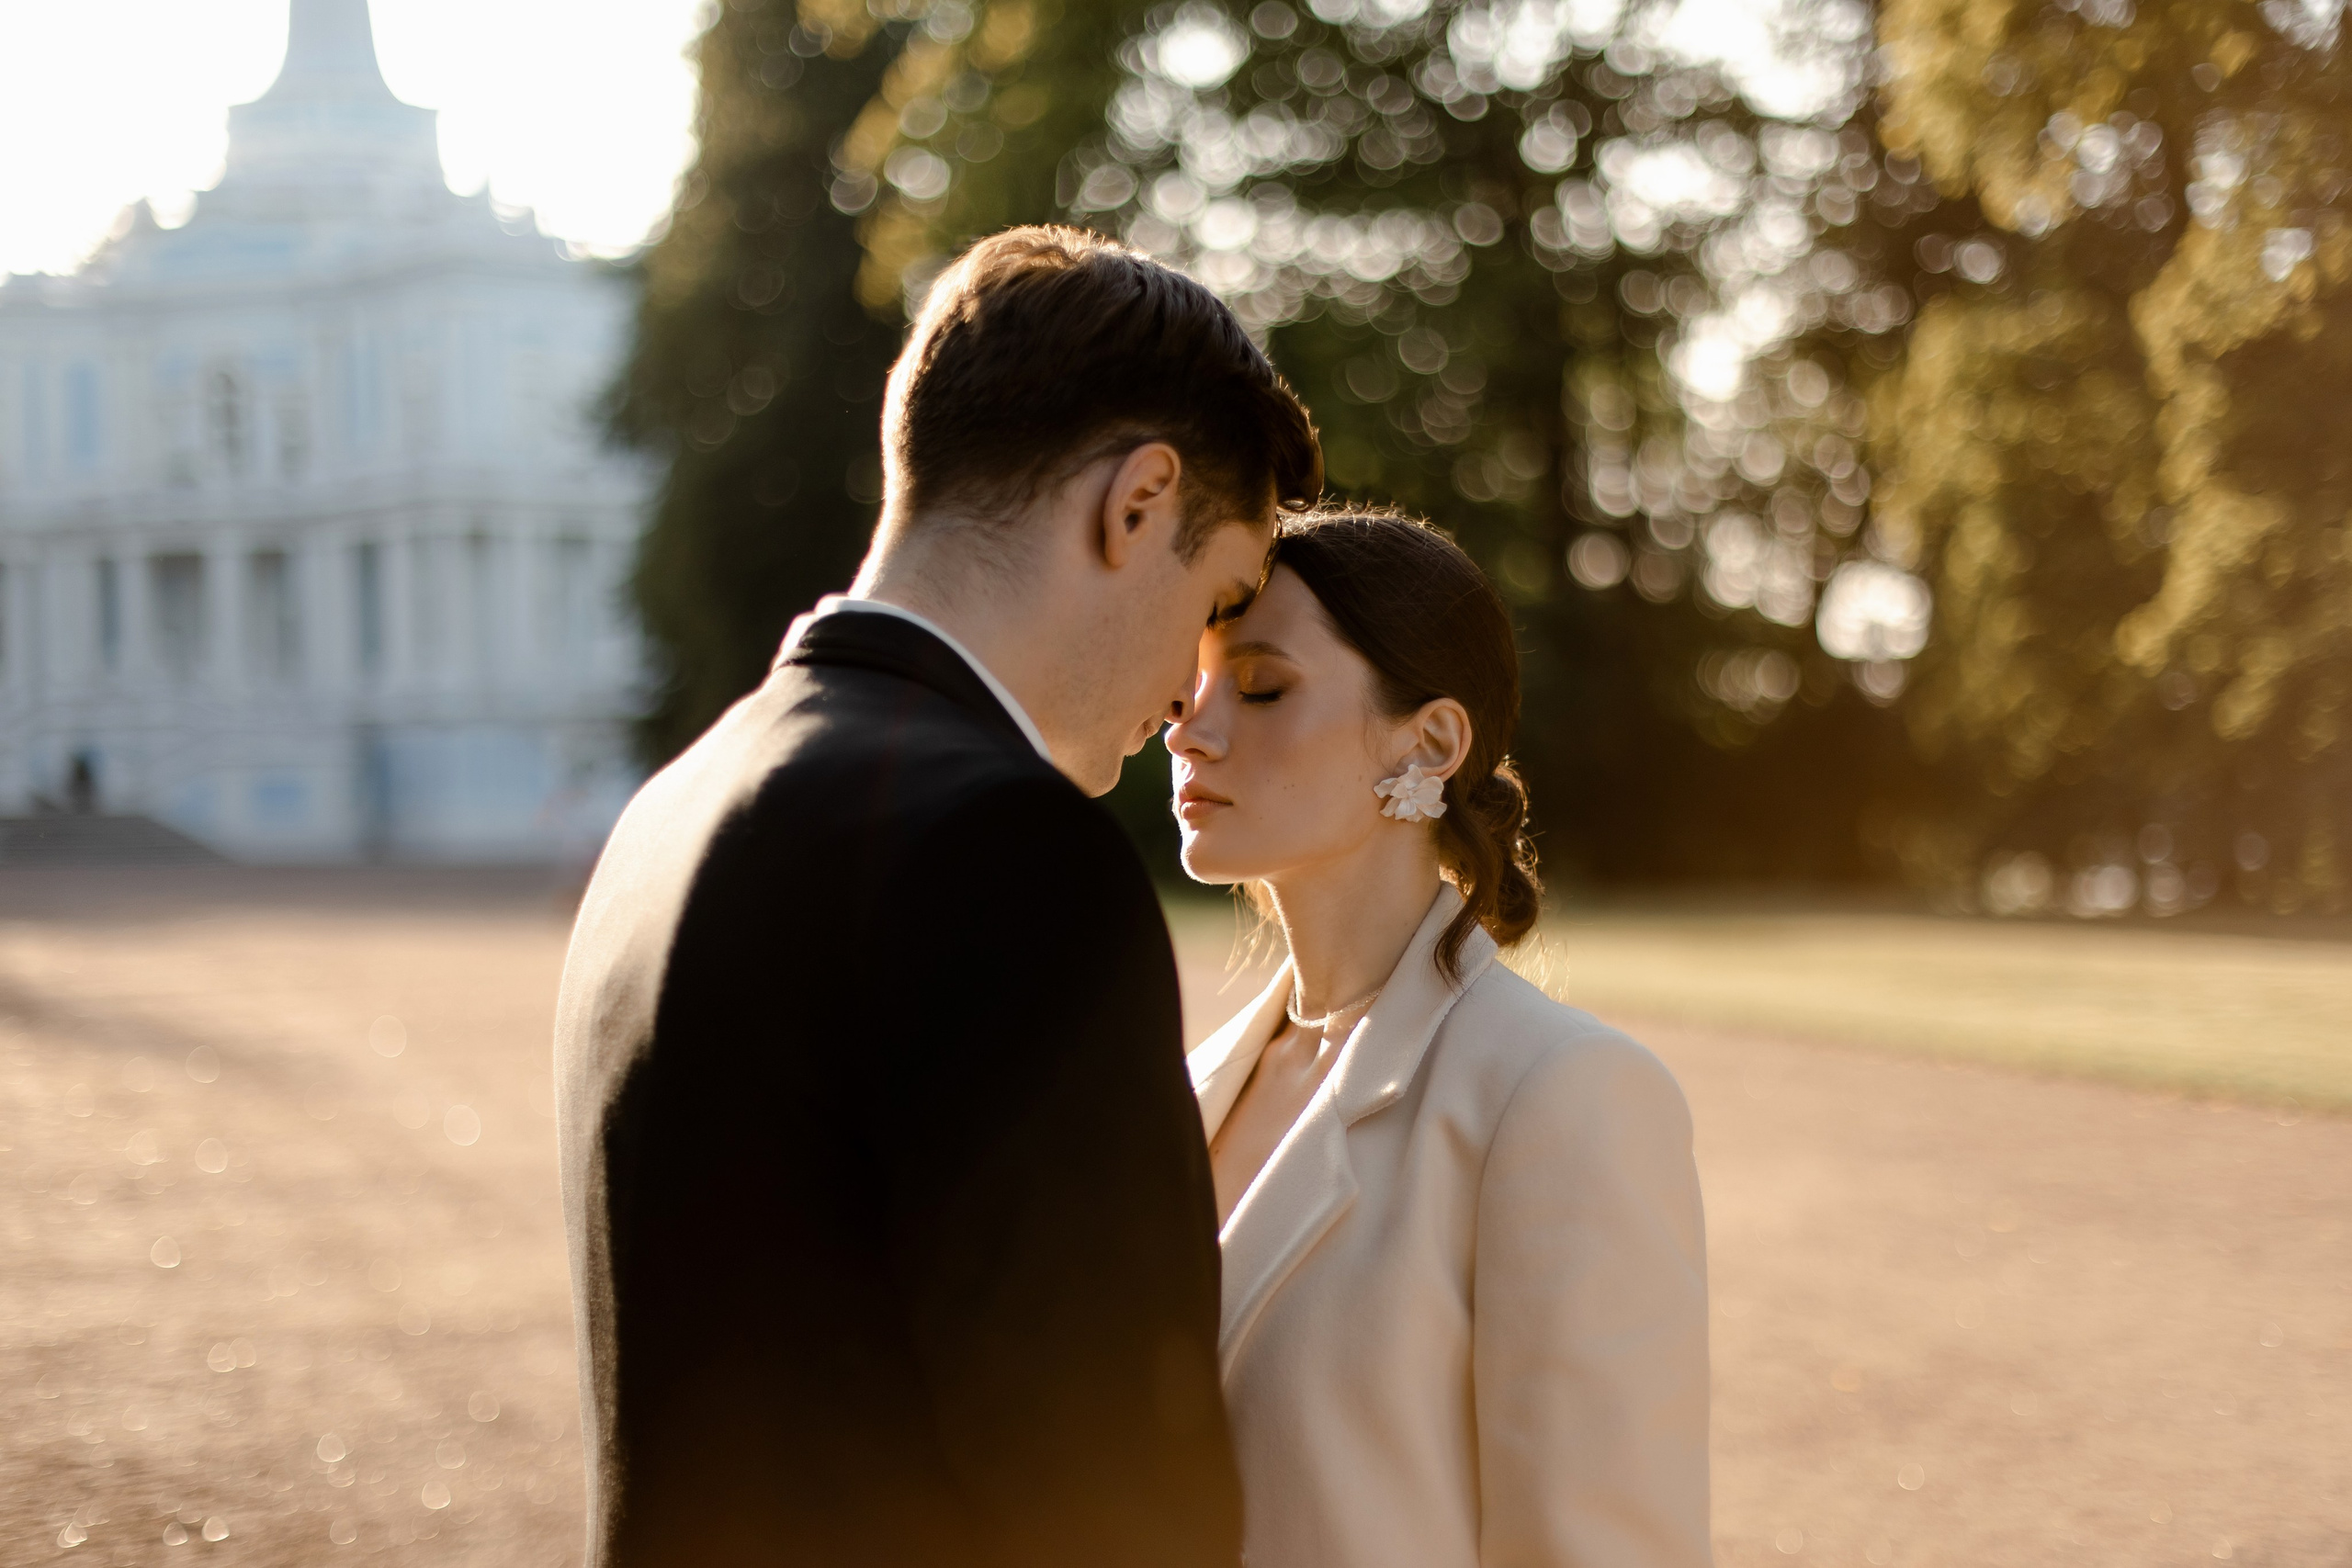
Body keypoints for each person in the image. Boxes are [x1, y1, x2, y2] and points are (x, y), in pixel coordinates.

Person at [551, 225, 1321, 1567]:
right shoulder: (1008, 853)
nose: (1198, 685)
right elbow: (1111, 1488)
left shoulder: (666, 811)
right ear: (1138, 502)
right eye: (1223, 591)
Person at [1168, 509, 1712, 1568]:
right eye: (1190, 684)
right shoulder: (1185, 1084)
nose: (1191, 726)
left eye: (1261, 686)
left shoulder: (1561, 1097)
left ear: (1428, 741)